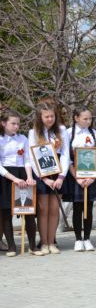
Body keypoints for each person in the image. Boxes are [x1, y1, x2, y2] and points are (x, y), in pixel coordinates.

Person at [29, 102, 69, 254]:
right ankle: (44, 242)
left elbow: (65, 154)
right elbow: (32, 158)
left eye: (52, 116)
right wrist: (44, 178)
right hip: (42, 174)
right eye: (46, 116)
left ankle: (52, 242)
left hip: (58, 173)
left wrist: (61, 176)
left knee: (54, 209)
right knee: (43, 209)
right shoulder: (33, 133)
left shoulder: (62, 130)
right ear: (40, 117)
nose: (50, 119)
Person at [63, 106, 96, 252]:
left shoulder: (95, 134)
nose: (88, 121)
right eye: (85, 118)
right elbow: (66, 158)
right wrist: (77, 178)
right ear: (76, 118)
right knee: (77, 207)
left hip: (91, 176)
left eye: (90, 118)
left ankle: (87, 238)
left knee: (89, 207)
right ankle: (78, 239)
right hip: (75, 175)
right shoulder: (67, 133)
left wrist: (93, 177)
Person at [0, 109, 38, 256]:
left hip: (23, 174)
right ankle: (11, 247)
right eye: (13, 123)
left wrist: (29, 177)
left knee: (28, 211)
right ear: (3, 123)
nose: (16, 127)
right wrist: (14, 179)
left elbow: (27, 159)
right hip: (6, 177)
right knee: (6, 212)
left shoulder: (22, 139)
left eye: (18, 124)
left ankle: (33, 246)